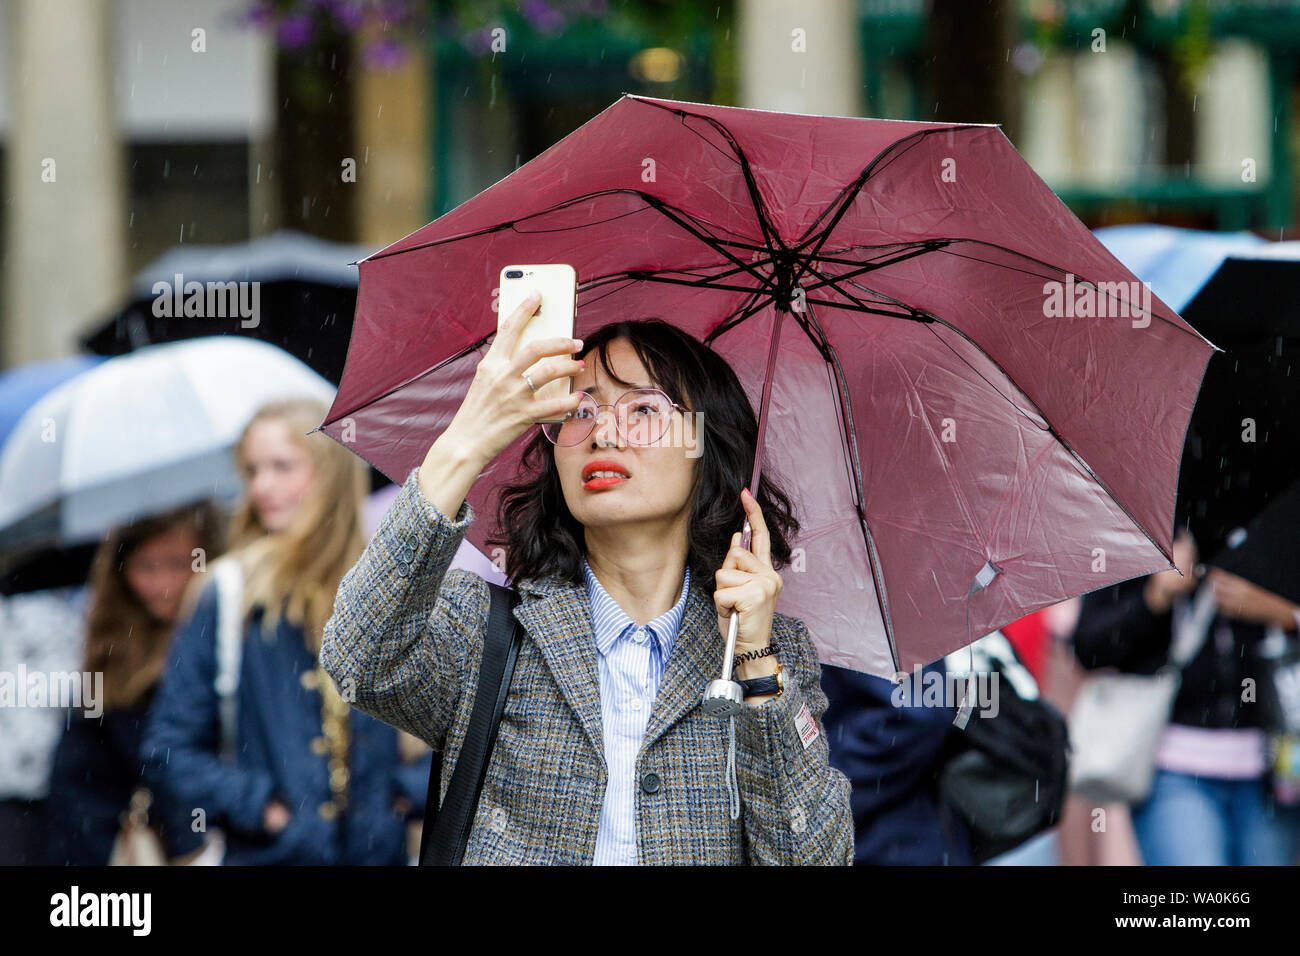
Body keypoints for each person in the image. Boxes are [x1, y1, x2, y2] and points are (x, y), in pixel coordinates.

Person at [320, 296, 855, 864]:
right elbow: (359, 658)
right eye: (579, 411)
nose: (602, 433)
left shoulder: (771, 653)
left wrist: (753, 663)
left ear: (705, 444)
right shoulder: (488, 631)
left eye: (644, 410)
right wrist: (464, 444)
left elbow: (812, 856)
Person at [141, 397, 431, 865]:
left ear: (331, 471)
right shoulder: (227, 592)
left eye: (281, 466)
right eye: (252, 470)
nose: (262, 486)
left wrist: (401, 796)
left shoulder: (388, 585)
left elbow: (461, 728)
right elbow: (168, 749)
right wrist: (261, 807)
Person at [1072, 528, 1300, 865]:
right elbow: (1090, 648)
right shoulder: (1144, 526)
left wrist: (1284, 614)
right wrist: (1155, 596)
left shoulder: (1279, 518)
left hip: (1279, 769)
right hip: (1173, 768)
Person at [44, 503, 222, 865]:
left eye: (177, 564)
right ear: (122, 572)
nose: (162, 585)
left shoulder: (232, 634)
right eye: (146, 567)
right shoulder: (110, 652)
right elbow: (83, 786)